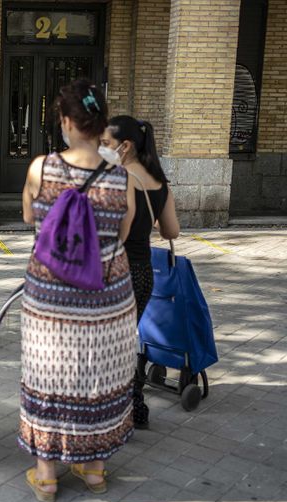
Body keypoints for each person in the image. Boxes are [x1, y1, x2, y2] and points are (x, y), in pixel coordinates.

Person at [19, 80, 136, 502]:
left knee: (49, 375)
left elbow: (31, 215)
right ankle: (94, 469)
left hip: (50, 298)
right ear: (99, 121)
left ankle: (47, 475)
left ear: (67, 121)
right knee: (97, 377)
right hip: (107, 297)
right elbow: (121, 234)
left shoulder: (42, 168)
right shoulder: (123, 177)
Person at [101, 115, 180, 429]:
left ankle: (131, 407)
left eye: (106, 143)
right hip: (145, 273)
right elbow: (172, 230)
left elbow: (114, 235)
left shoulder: (123, 178)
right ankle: (133, 407)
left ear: (126, 145)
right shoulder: (158, 181)